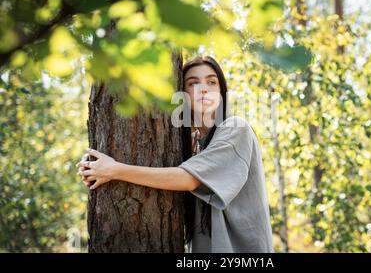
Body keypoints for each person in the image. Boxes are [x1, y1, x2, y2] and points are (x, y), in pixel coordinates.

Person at [76, 56, 273, 253]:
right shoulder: (193, 145)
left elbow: (188, 179)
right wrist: (93, 166)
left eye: (211, 82)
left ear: (221, 92)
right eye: (193, 83)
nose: (203, 88)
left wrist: (114, 170)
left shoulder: (235, 128)